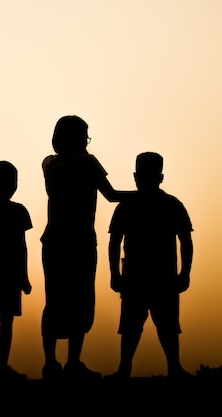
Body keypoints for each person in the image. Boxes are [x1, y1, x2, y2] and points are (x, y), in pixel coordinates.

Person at [41, 115, 133, 381]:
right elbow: (112, 194)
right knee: (80, 299)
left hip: (54, 240)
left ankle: (50, 363)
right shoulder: (87, 162)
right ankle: (72, 361)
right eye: (85, 136)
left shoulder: (49, 164)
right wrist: (144, 194)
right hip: (79, 240)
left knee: (55, 299)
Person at [108, 151, 194, 380]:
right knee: (136, 326)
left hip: (156, 276)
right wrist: (115, 273)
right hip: (145, 276)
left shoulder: (165, 205)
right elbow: (114, 241)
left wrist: (185, 273)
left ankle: (170, 367)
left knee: (162, 325)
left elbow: (186, 240)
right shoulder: (167, 204)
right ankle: (128, 368)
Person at [0, 160, 33, 381]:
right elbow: (21, 247)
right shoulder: (17, 211)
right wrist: (24, 276)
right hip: (6, 273)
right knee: (0, 320)